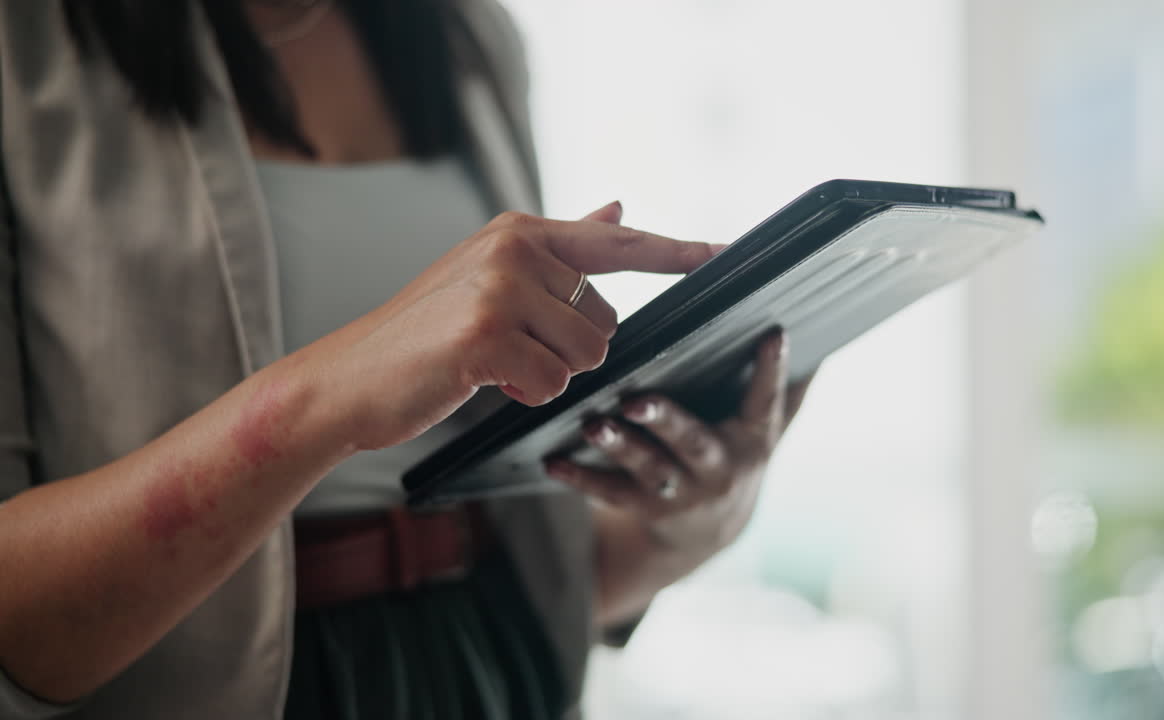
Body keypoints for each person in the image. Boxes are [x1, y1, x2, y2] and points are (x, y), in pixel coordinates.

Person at [0, 1, 813, 718]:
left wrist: (693, 521)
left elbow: (555, 577)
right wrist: (327, 398)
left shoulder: (468, 34)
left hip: (488, 665)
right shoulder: (25, 41)